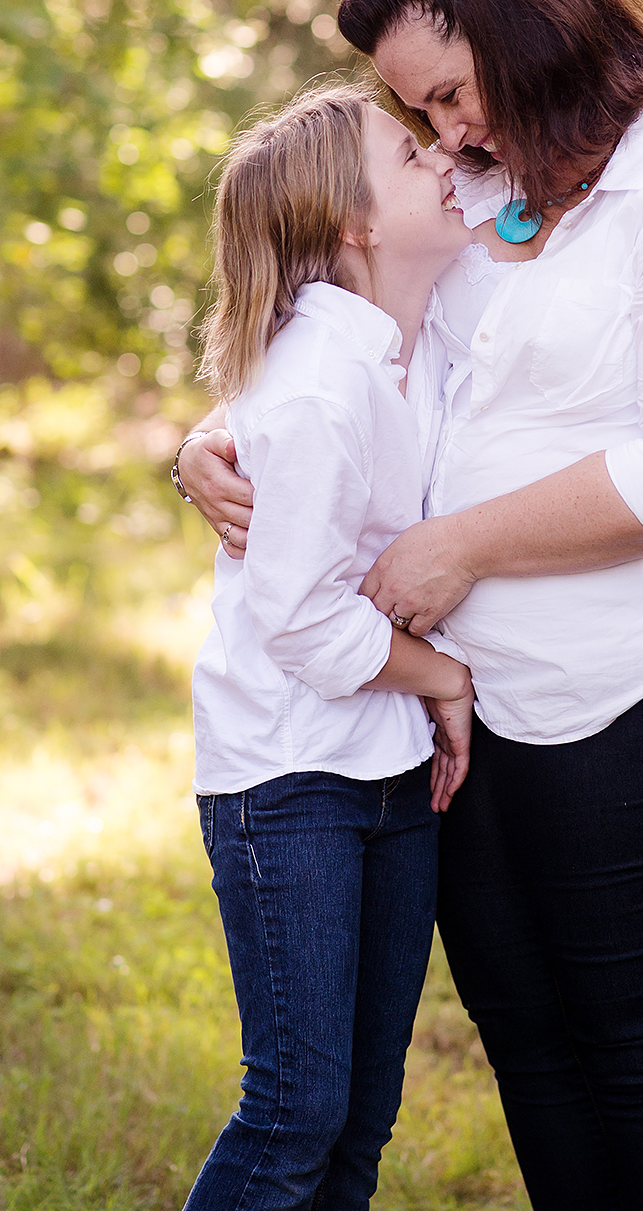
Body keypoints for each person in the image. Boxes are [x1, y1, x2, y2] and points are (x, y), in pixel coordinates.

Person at [178, 0, 643, 1211]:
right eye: (423, 117)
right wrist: (213, 434)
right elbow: (345, 326)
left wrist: (451, 548)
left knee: (639, 1035)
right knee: (529, 1039)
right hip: (467, 697)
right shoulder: (483, 192)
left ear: (528, 30)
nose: (453, 135)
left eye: (457, 93)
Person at [181, 81, 475, 1211]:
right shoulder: (319, 383)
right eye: (409, 156)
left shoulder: (393, 350)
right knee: (297, 1108)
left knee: (361, 1113)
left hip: (387, 772)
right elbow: (299, 617)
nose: (445, 160)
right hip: (293, 777)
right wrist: (443, 677)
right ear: (354, 225)